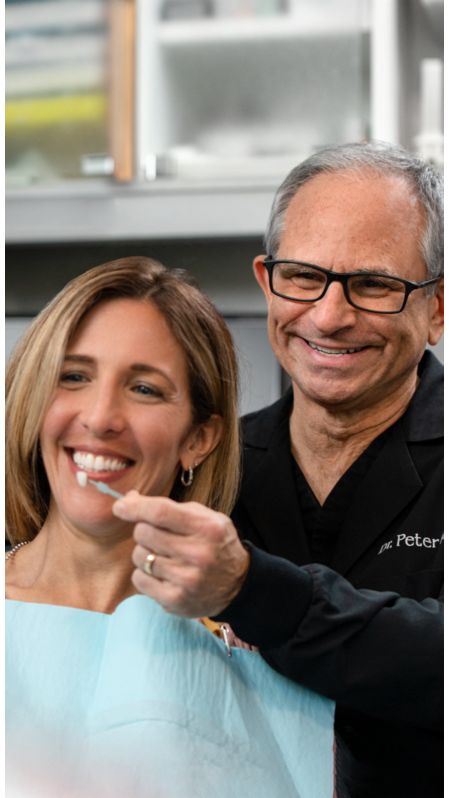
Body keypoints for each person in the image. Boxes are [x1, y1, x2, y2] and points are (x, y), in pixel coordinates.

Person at [113, 143, 444, 798]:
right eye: (301, 276)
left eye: (373, 284)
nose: (327, 316)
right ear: (266, 280)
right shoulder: (206, 464)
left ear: (436, 307)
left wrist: (248, 588)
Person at [5, 256, 334, 798]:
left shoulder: (258, 643)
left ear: (199, 439)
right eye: (74, 377)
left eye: (145, 389)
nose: (101, 417)